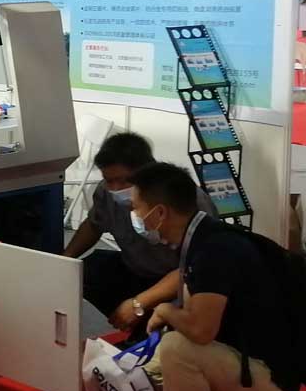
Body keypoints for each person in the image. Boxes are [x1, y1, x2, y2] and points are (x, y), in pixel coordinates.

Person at [133, 163, 297, 391]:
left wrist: (164, 310)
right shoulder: (208, 237)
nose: (135, 216)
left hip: (268, 375)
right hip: (255, 359)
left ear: (160, 212)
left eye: (136, 208)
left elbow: (200, 331)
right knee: (156, 373)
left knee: (176, 347)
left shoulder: (213, 251)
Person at [64, 133, 217, 343]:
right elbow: (94, 224)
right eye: (109, 181)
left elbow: (192, 268)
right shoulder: (106, 193)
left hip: (177, 280)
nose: (115, 189)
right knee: (86, 271)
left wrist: (139, 303)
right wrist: (64, 260)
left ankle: (146, 329)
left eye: (124, 180)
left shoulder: (188, 201)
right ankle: (134, 326)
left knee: (171, 336)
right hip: (135, 268)